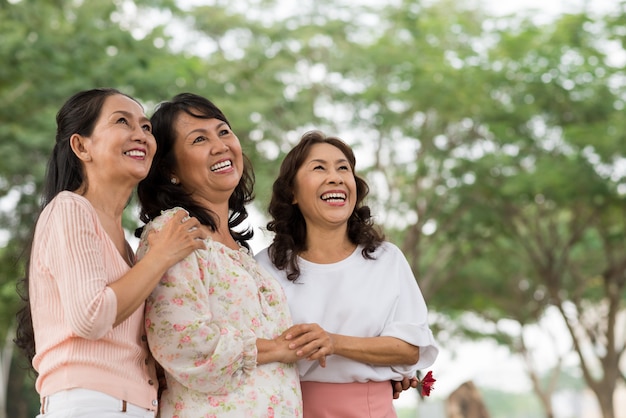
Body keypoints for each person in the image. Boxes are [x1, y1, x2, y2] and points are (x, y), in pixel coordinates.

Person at [13, 88, 207, 418]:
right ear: (81, 146)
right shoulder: (70, 209)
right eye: (122, 122)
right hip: (89, 403)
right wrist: (160, 256)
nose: (141, 135)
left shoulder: (126, 246)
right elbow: (92, 316)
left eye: (146, 127)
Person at [134, 93, 321, 417]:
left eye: (223, 132)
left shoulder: (243, 255)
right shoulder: (175, 232)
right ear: (169, 170)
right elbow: (181, 341)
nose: (220, 145)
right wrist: (277, 348)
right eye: (199, 139)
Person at [255, 130, 439, 417]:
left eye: (343, 168)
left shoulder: (386, 260)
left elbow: (409, 349)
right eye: (319, 167)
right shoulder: (263, 268)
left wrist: (333, 342)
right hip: (286, 407)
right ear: (291, 193)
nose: (336, 177)